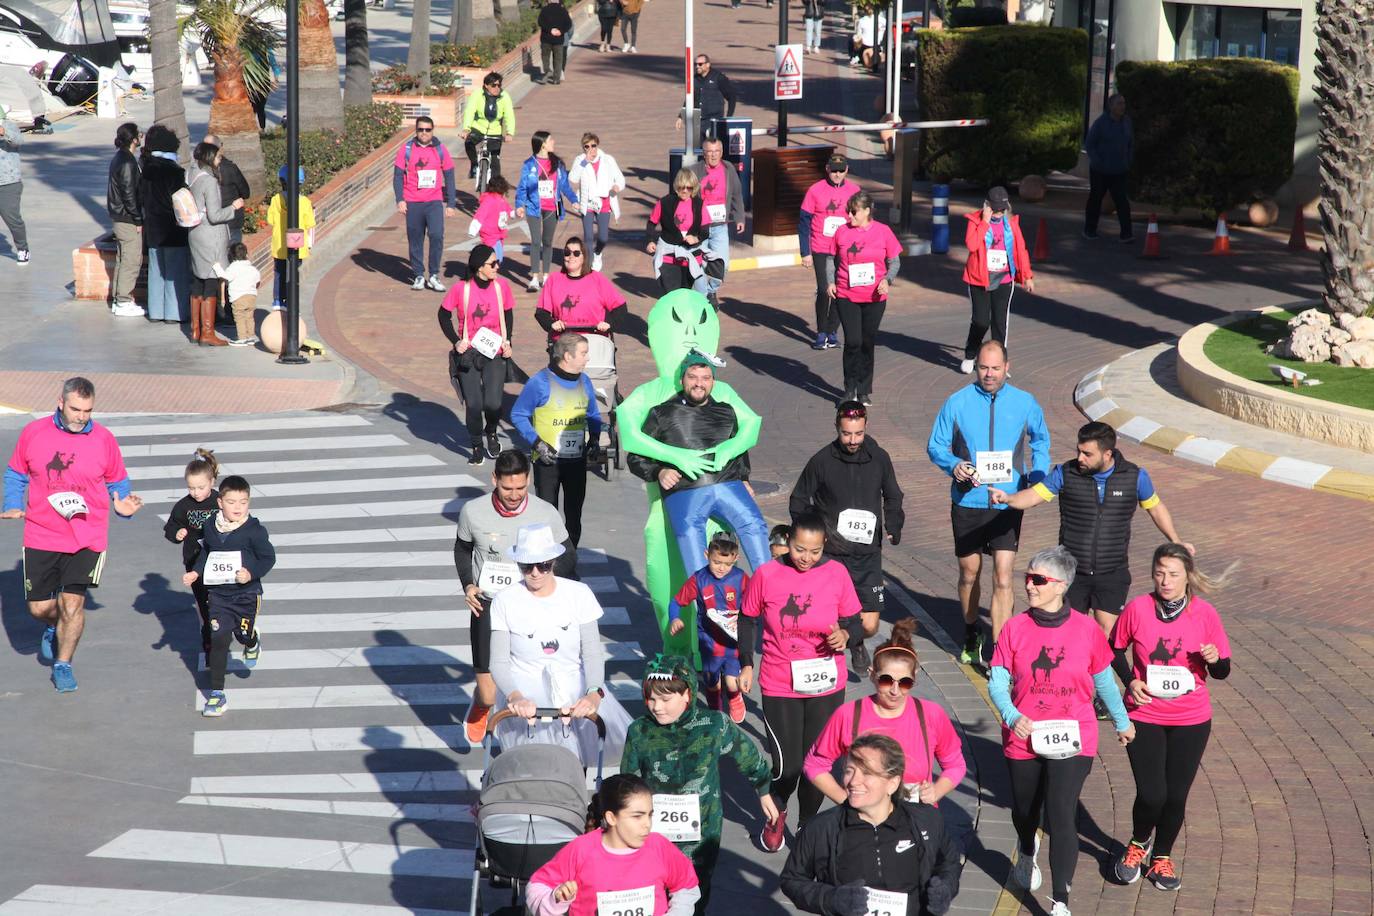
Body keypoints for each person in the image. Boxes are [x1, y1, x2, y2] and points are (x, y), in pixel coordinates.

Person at [987, 545, 1133, 916]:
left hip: (1074, 734)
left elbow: (1103, 680)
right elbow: (998, 681)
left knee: (1061, 811)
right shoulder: (1015, 628)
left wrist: (1122, 721)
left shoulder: (1087, 630)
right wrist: (1010, 714)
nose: (1030, 585)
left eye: (1038, 579)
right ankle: (1026, 845)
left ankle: (1060, 901)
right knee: (1025, 810)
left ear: (1061, 586)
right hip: (1024, 733)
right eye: (1028, 577)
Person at [1, 377, 144, 693]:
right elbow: (16, 473)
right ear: (60, 402)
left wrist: (123, 504)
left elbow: (117, 480)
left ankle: (63, 665)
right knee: (38, 608)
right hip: (42, 534)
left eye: (88, 411)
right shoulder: (34, 433)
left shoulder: (103, 439)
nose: (81, 417)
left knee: (73, 606)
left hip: (87, 537)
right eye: (76, 409)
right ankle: (54, 626)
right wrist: (12, 504)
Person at [991, 421, 1192, 636]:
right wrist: (1009, 498)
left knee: (1106, 633)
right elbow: (1034, 495)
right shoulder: (1065, 473)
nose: (1080, 458)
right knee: (1070, 632)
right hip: (1073, 571)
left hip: (1112, 572)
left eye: (1087, 454)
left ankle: (1097, 670)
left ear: (1107, 454)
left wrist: (1175, 540)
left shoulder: (1134, 476)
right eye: (1079, 451)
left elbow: (1156, 508)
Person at [1109, 544, 1231, 893]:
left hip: (1191, 719)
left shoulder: (1205, 614)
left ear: (1188, 576)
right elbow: (1113, 648)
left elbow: (1222, 671)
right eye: (1160, 572)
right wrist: (1131, 680)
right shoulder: (1138, 608)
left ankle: (1161, 856)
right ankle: (1137, 844)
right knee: (1152, 793)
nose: (1165, 580)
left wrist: (1213, 659)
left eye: (1173, 574)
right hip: (1144, 713)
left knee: (1176, 796)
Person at [739, 513, 864, 852]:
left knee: (817, 762)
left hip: (825, 681)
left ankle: (807, 823)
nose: (806, 558)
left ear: (824, 547)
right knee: (788, 765)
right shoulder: (767, 574)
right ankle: (776, 809)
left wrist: (846, 634)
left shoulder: (836, 573)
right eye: (798, 549)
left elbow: (855, 620)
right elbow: (747, 620)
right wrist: (746, 664)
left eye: (814, 551)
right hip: (780, 680)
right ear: (787, 543)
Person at [618, 655, 777, 915]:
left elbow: (747, 754)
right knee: (656, 893)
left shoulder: (713, 725)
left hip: (702, 829)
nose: (657, 707)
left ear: (687, 694)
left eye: (666, 699)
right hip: (653, 831)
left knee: (696, 892)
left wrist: (764, 791)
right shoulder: (640, 731)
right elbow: (627, 781)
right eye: (651, 698)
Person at [927, 340, 1050, 662]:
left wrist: (1037, 476)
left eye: (996, 368)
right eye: (983, 367)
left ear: (1008, 368)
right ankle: (970, 631)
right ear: (976, 367)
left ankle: (1001, 650)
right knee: (969, 573)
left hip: (1007, 501)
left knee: (1004, 575)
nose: (989, 374)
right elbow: (936, 446)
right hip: (968, 501)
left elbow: (1041, 441)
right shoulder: (957, 402)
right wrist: (954, 465)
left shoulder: (1025, 402)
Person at [454, 450, 576, 744]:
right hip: (489, 604)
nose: (514, 495)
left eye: (521, 488)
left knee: (528, 677)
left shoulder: (545, 512)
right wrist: (468, 585)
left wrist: (551, 588)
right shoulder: (473, 511)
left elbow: (568, 555)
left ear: (529, 481)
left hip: (530, 604)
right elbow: (462, 549)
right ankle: (481, 704)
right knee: (488, 691)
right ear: (494, 479)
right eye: (507, 488)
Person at [490, 523, 630, 764]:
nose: (535, 572)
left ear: (553, 561)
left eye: (543, 565)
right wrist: (515, 696)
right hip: (525, 688)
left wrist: (593, 693)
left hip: (574, 684)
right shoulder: (505, 599)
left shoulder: (579, 593)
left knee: (579, 759)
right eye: (526, 566)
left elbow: (592, 652)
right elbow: (499, 660)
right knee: (536, 763)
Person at [627, 351, 772, 580]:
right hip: (685, 491)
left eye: (705, 378)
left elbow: (739, 448)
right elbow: (636, 457)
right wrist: (659, 471)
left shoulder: (726, 411)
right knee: (693, 551)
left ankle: (769, 590)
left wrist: (744, 477)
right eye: (693, 377)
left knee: (755, 526)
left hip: (727, 484)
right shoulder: (662, 413)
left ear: (713, 381)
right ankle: (705, 609)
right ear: (682, 379)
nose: (699, 383)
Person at [781, 734, 962, 916]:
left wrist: (946, 889)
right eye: (849, 771)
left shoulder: (927, 819)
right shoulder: (821, 828)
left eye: (866, 772)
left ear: (892, 783)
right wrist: (831, 899)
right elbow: (792, 880)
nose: (853, 781)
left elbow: (949, 862)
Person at [789, 399, 904, 671]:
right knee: (830, 615)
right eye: (846, 433)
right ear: (836, 428)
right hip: (833, 555)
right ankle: (844, 652)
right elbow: (798, 500)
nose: (853, 440)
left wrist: (894, 524)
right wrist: (814, 535)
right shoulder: (821, 461)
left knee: (870, 624)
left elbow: (893, 494)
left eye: (859, 433)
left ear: (866, 428)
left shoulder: (879, 458)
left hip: (867, 555)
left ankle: (856, 640)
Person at [803, 619, 965, 808]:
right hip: (863, 821)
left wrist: (937, 791)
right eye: (886, 681)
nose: (895, 691)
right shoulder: (848, 715)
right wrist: (846, 802)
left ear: (914, 678)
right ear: (872, 675)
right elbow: (814, 765)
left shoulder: (931, 714)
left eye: (905, 683)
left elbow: (955, 764)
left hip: (916, 818)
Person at [526, 774, 702, 916]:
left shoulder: (658, 846)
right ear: (611, 818)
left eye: (650, 815)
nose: (647, 824)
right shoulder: (581, 849)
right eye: (637, 816)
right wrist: (555, 899)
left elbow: (687, 887)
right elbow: (536, 886)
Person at [183, 475, 276, 717]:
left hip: (247, 594)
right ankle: (217, 694)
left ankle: (252, 640)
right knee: (219, 639)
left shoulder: (254, 531)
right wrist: (195, 572)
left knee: (242, 635)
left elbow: (268, 558)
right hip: (219, 596)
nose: (237, 507)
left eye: (243, 502)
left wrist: (251, 573)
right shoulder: (211, 527)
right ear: (220, 502)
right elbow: (208, 553)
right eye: (232, 502)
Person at [510, 332, 602, 546]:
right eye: (584, 353)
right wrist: (537, 442)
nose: (587, 358)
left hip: (576, 460)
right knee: (547, 515)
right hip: (547, 460)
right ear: (567, 356)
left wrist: (595, 439)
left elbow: (593, 414)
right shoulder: (540, 382)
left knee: (574, 516)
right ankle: (547, 564)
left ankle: (569, 561)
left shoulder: (584, 381)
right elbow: (518, 414)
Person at [439, 244, 515, 466]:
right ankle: (476, 445)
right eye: (493, 263)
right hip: (470, 353)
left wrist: (508, 340)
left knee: (492, 403)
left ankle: (490, 431)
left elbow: (508, 314)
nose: (497, 267)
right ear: (479, 267)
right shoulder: (461, 289)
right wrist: (456, 341)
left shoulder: (502, 287)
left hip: (495, 351)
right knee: (474, 404)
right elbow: (443, 316)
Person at [828, 191, 901, 405]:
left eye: (853, 211)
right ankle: (849, 389)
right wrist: (829, 281)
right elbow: (830, 259)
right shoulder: (841, 232)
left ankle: (864, 390)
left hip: (874, 297)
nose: (849, 215)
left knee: (867, 342)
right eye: (848, 211)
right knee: (853, 341)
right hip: (846, 294)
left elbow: (895, 261)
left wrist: (887, 280)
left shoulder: (883, 232)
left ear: (867, 211)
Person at [666, 532, 748, 720]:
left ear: (736, 558)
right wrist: (675, 618)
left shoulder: (741, 578)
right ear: (706, 555)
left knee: (731, 681)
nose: (721, 568)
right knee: (712, 681)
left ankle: (735, 697)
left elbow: (755, 601)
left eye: (728, 564)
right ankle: (715, 711)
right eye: (716, 562)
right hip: (709, 641)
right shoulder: (699, 579)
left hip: (733, 640)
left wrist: (744, 613)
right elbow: (676, 602)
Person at [959, 186, 1033, 375]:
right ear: (987, 206)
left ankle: (1000, 362)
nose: (999, 214)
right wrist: (984, 222)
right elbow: (972, 245)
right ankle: (970, 354)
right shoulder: (975, 221)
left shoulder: (1012, 223)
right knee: (981, 321)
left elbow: (1021, 250)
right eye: (995, 209)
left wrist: (1027, 276)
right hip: (979, 279)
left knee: (1000, 324)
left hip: (1004, 279)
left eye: (1002, 209)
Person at [186, 141, 244, 347]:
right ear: (210, 159)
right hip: (211, 236)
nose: (220, 160)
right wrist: (234, 207)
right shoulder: (209, 181)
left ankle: (195, 330)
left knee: (197, 280)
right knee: (211, 279)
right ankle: (208, 333)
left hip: (195, 234)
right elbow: (215, 215)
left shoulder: (192, 175)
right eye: (218, 157)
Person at [163, 448, 220, 661]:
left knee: (219, 601)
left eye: (201, 487)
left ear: (212, 482)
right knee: (203, 602)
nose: (196, 492)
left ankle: (221, 629)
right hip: (194, 561)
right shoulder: (183, 506)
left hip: (219, 560)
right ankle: (208, 637)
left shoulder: (219, 502)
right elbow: (170, 527)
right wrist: (177, 534)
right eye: (191, 488)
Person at [799, 153, 859, 350]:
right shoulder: (815, 191)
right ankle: (821, 332)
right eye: (834, 170)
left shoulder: (854, 191)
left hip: (845, 249)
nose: (837, 174)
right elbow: (804, 222)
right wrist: (805, 252)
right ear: (827, 169)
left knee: (841, 290)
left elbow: (861, 221)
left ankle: (833, 330)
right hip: (821, 248)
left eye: (841, 171)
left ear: (847, 170)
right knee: (825, 289)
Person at [394, 116, 457, 292]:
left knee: (437, 235)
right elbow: (398, 176)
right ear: (416, 130)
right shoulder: (406, 150)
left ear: (432, 131)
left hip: (434, 202)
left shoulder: (440, 150)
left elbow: (450, 176)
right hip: (413, 202)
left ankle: (434, 274)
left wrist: (451, 203)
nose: (424, 133)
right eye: (421, 129)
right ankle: (419, 275)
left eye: (427, 130)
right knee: (415, 240)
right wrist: (400, 199)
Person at [139, 124, 191, 325]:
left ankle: (156, 311)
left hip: (152, 229)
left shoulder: (146, 170)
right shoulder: (174, 171)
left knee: (156, 272)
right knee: (174, 273)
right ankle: (174, 313)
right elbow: (180, 199)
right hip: (172, 230)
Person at [515, 130, 578, 292]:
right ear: (542, 144)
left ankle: (547, 276)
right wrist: (519, 205)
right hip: (533, 208)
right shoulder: (529, 164)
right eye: (550, 140)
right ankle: (535, 278)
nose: (553, 142)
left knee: (548, 242)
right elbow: (522, 187)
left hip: (552, 208)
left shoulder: (558, 164)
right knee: (536, 241)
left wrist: (574, 201)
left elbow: (565, 186)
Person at [535, 237, 628, 343]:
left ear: (584, 257)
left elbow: (620, 308)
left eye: (576, 253)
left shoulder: (597, 279)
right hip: (564, 341)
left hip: (595, 340)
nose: (571, 256)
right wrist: (551, 324)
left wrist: (609, 324)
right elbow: (541, 312)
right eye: (567, 252)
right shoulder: (554, 279)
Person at [687, 137, 744, 305]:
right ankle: (702, 297)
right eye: (709, 152)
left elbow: (737, 194)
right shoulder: (694, 171)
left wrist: (739, 217)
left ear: (722, 152)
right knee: (698, 265)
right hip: (700, 228)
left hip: (720, 226)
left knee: (722, 265)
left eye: (717, 151)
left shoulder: (728, 169)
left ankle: (710, 292)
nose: (713, 155)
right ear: (703, 154)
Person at [646, 169, 713, 296]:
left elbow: (705, 231)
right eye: (682, 187)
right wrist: (650, 241)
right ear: (677, 186)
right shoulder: (664, 202)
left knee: (686, 292)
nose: (685, 191)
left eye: (689, 187)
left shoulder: (699, 204)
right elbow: (651, 223)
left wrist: (696, 238)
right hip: (669, 255)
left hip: (691, 256)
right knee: (672, 295)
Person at [568, 132, 625, 272]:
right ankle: (588, 266)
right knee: (587, 236)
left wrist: (617, 187)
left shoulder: (608, 160)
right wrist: (584, 162)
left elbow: (620, 178)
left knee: (603, 238)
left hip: (604, 201)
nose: (591, 149)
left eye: (593, 145)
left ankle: (597, 253)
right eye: (586, 146)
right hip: (587, 202)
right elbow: (573, 178)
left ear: (597, 145)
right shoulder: (580, 160)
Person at [1083, 93, 1134, 242]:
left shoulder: (1127, 122)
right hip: (1101, 170)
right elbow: (1090, 144)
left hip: (1119, 170)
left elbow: (1131, 143)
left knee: (1122, 201)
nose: (1122, 107)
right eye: (1119, 104)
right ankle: (1089, 230)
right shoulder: (1101, 123)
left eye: (1123, 103)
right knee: (1096, 199)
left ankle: (1126, 233)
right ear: (1111, 106)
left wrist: (1128, 160)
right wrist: (1098, 161)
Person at [107, 121, 145, 317]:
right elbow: (129, 194)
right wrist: (138, 220)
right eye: (139, 134)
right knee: (131, 260)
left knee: (123, 259)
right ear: (133, 139)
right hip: (127, 218)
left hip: (118, 217)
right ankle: (123, 301)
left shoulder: (119, 158)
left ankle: (118, 299)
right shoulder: (128, 162)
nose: (141, 137)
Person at [266, 165, 316, 312]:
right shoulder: (305, 201)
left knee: (279, 271)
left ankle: (278, 300)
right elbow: (310, 223)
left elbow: (270, 220)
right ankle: (291, 299)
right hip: (297, 243)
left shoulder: (276, 200)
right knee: (294, 271)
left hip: (279, 243)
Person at [460, 72, 515, 182]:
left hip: (495, 130)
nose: (497, 88)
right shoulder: (477, 94)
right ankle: (474, 164)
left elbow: (509, 115)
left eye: (499, 85)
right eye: (493, 85)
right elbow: (470, 111)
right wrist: (466, 128)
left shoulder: (504, 96)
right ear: (486, 85)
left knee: (495, 161)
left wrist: (509, 133)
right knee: (469, 142)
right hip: (478, 127)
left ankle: (495, 190)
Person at [675, 56, 737, 146]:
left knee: (711, 149)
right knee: (697, 150)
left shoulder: (718, 78)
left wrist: (728, 118)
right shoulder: (694, 79)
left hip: (713, 121)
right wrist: (681, 116)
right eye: (695, 64)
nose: (697, 66)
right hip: (697, 121)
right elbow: (690, 99)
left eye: (700, 64)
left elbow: (732, 97)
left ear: (708, 64)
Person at [202, 133, 250, 244]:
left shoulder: (198, 170)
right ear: (220, 147)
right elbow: (245, 192)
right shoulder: (230, 168)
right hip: (231, 221)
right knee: (233, 254)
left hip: (209, 223)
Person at [213, 241, 262, 347]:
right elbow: (258, 280)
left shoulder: (233, 268)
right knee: (249, 317)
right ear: (246, 254)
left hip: (238, 297)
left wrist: (217, 266)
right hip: (251, 296)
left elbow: (224, 276)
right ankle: (251, 337)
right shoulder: (252, 268)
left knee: (239, 317)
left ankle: (242, 338)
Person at [0, 103, 27, 265]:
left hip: (8, 183)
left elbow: (17, 141)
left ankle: (22, 248)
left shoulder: (10, 127)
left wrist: (3, 132)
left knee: (12, 219)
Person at [468, 174, 516, 264]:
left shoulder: (501, 200)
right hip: (489, 235)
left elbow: (508, 209)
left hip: (499, 234)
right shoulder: (488, 200)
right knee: (493, 260)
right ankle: (487, 275)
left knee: (498, 259)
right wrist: (473, 230)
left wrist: (515, 213)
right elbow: (480, 216)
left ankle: (490, 274)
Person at [537, 0, 573, 84]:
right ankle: (556, 78)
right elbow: (569, 23)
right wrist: (561, 31)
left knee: (545, 56)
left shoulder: (544, 10)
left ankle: (547, 71)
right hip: (558, 39)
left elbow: (540, 22)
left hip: (546, 38)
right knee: (558, 59)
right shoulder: (563, 10)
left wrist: (550, 30)